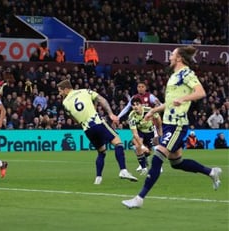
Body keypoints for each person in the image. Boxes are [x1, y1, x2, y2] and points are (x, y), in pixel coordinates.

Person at [122, 46, 222, 209]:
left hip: (177, 124)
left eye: (173, 55)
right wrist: (153, 110)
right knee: (177, 163)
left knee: (157, 157)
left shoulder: (186, 73)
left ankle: (139, 198)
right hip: (168, 122)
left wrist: (184, 98)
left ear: (179, 58)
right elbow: (170, 102)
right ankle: (211, 172)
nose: (170, 57)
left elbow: (201, 92)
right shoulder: (175, 76)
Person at [56, 79, 137, 185]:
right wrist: (111, 114)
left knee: (101, 151)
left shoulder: (65, 103)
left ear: (66, 89)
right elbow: (101, 99)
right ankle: (123, 170)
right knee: (118, 142)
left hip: (87, 130)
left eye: (60, 91)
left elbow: (74, 119)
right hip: (97, 122)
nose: (59, 93)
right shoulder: (85, 91)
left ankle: (98, 178)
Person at [127, 97, 162, 175]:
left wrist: (159, 130)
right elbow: (135, 133)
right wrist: (142, 146)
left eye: (137, 104)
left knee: (150, 151)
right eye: (133, 105)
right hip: (140, 132)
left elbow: (158, 119)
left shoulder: (149, 110)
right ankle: (144, 168)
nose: (135, 106)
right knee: (137, 145)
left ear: (141, 105)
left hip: (151, 131)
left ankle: (157, 165)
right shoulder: (131, 116)